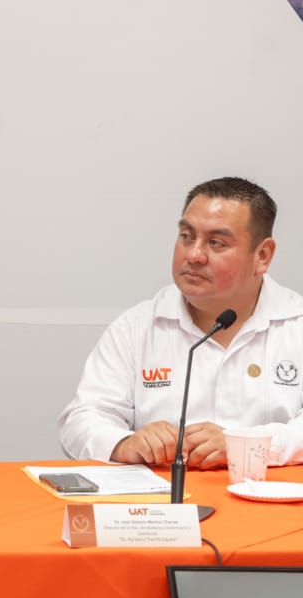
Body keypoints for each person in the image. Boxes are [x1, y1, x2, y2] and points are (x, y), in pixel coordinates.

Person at [58, 177, 303, 469]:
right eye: (187, 236)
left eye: (216, 242)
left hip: (270, 496)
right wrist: (125, 443)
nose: (193, 255)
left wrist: (249, 444)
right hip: (163, 496)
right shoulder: (137, 327)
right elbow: (82, 419)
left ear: (262, 256)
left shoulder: (296, 323)